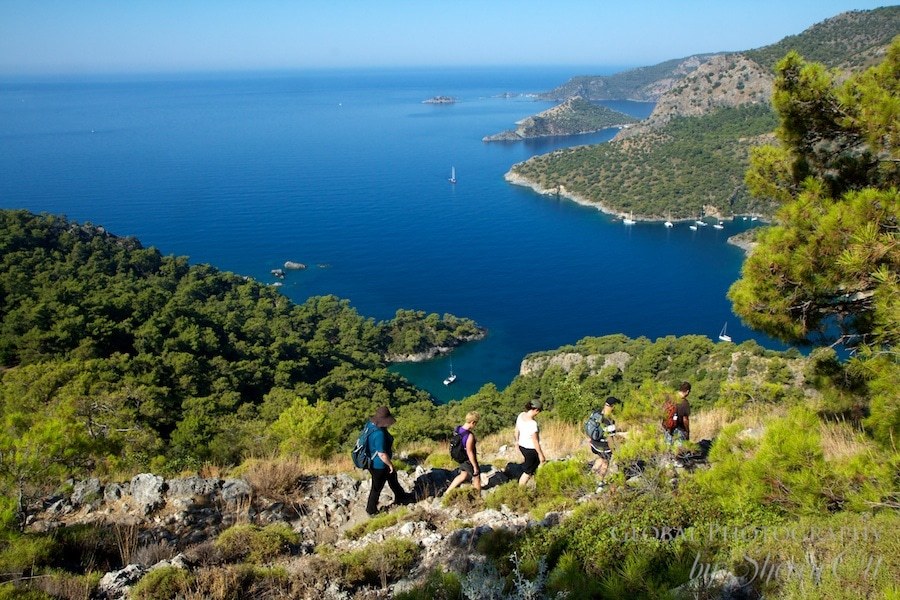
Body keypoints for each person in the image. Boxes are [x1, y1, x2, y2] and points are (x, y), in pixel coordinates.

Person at [365, 406, 414, 516]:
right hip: (379, 465)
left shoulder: (370, 425)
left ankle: (401, 496)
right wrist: (390, 464)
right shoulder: (379, 434)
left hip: (371, 461)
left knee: (392, 477)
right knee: (376, 487)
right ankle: (371, 510)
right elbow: (381, 454)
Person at [445, 411, 482, 495]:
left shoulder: (457, 429)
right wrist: (475, 467)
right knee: (476, 477)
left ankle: (447, 492)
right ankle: (478, 496)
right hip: (466, 459)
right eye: (475, 423)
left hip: (459, 457)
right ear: (473, 422)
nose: (475, 426)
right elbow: (470, 452)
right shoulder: (469, 436)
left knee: (463, 475)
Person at [588, 396, 620, 479]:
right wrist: (615, 452)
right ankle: (599, 482)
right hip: (603, 447)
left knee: (600, 458)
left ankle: (590, 477)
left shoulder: (597, 413)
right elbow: (610, 439)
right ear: (613, 406)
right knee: (605, 462)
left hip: (594, 444)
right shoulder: (609, 420)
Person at [515, 399, 546, 486]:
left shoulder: (521, 415)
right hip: (531, 449)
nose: (538, 413)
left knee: (532, 466)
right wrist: (541, 455)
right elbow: (535, 441)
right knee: (527, 472)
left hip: (522, 446)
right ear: (536, 410)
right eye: (538, 411)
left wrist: (517, 442)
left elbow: (516, 430)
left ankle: (534, 481)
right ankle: (520, 490)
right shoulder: (532, 424)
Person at [665, 382, 692, 446]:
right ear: (687, 391)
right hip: (679, 430)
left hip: (668, 429)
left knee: (668, 451)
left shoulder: (669, 398)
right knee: (679, 453)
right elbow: (685, 420)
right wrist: (687, 432)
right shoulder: (685, 403)